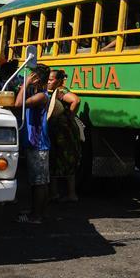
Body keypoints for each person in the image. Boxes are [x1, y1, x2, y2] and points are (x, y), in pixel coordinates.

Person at [15, 63, 51, 224]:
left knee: (39, 182)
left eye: (32, 76)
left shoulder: (42, 96)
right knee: (35, 181)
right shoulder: (37, 94)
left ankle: (37, 216)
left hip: (39, 144)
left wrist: (26, 84)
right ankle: (35, 211)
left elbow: (17, 104)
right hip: (34, 143)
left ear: (37, 79)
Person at [46, 70, 82, 203]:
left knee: (56, 160)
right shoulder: (57, 90)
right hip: (62, 132)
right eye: (48, 80)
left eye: (51, 80)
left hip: (63, 133)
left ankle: (56, 193)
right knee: (64, 162)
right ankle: (69, 194)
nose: (49, 82)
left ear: (59, 81)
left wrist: (69, 117)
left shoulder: (61, 91)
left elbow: (76, 100)